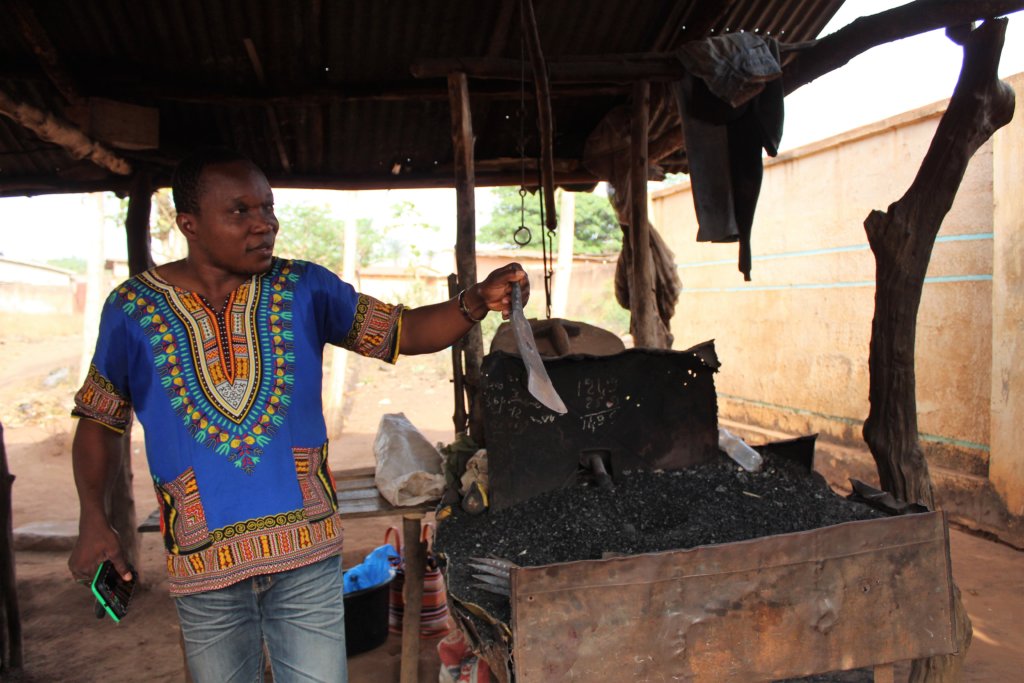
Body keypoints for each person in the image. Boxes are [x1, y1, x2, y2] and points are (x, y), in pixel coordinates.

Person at [67, 147, 529, 683]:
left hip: (307, 557)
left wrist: (474, 300)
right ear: (188, 224)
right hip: (204, 567)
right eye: (240, 211)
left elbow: (402, 332)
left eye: (268, 208)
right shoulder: (132, 310)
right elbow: (100, 420)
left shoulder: (304, 288)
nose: (264, 225)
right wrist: (91, 518)